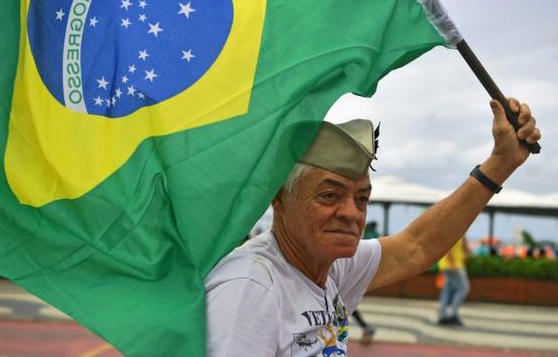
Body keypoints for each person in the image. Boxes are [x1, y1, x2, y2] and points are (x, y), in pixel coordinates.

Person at [204, 98, 540, 356]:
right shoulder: (251, 289)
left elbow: (416, 248)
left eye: (362, 199)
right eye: (330, 195)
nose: (351, 213)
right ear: (279, 197)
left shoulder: (331, 267)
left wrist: (501, 163)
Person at [437, 236, 470, 325]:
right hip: (454, 266)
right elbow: (449, 247)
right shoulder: (455, 229)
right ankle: (452, 314)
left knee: (447, 290)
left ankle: (443, 314)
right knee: (463, 289)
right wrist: (452, 263)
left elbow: (465, 247)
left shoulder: (459, 231)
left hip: (446, 265)